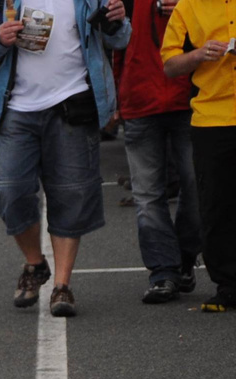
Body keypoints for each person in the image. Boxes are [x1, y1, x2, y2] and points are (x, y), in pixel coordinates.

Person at [0, 0, 130, 315]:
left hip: (73, 101)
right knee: (11, 194)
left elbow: (120, 38)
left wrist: (117, 20)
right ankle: (35, 263)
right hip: (17, 107)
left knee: (72, 193)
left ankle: (62, 286)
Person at [111, 0, 198, 302]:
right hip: (139, 96)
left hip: (190, 96)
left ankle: (184, 257)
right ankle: (164, 271)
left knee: (198, 185)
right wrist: (113, 94)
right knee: (147, 194)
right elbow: (114, 39)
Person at [162, 0, 236, 310]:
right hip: (212, 118)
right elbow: (169, 65)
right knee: (216, 205)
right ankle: (228, 284)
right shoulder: (188, 7)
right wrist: (198, 54)